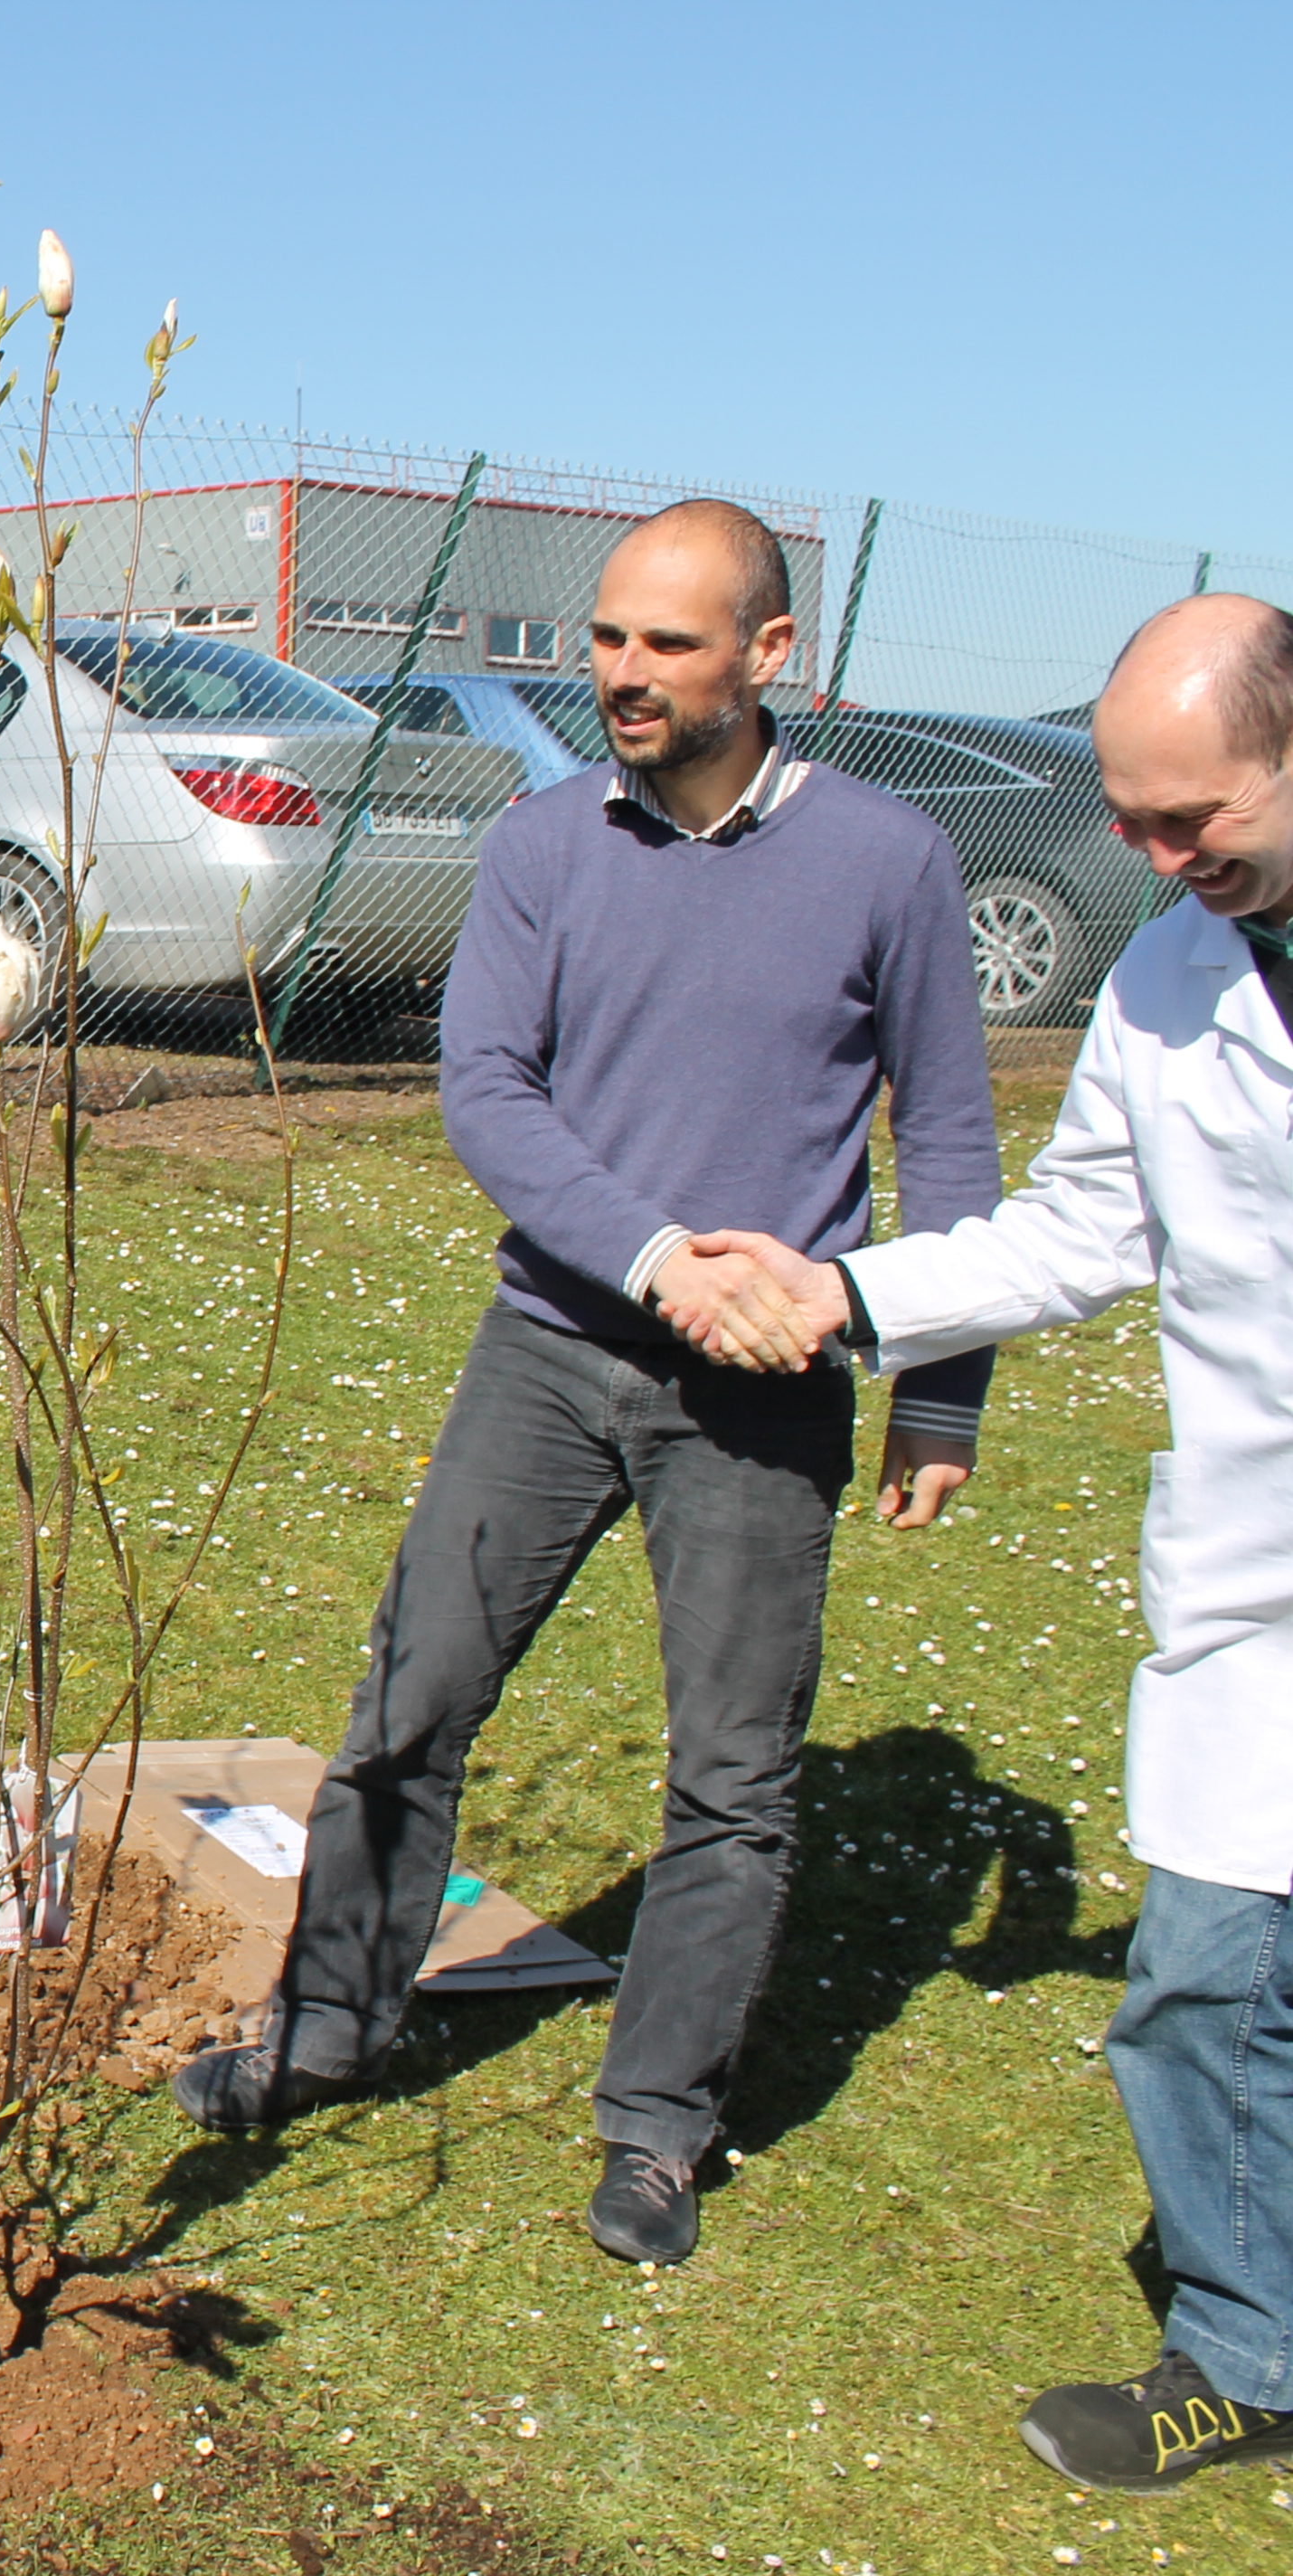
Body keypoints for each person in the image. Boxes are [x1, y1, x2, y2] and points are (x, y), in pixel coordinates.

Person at [165, 497, 1004, 2269]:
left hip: (765, 1395)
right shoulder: (547, 843)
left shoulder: (891, 863)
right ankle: (323, 2027)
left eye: (665, 644)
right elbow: (490, 1091)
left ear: (770, 657)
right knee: (409, 1704)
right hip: (553, 1347)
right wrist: (654, 1261)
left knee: (734, 1777)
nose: (622, 672)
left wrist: (940, 1388)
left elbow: (945, 1129)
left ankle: (658, 2127)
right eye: (609, 638)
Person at [691, 594, 1293, 2492]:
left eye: (1194, 818)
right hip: (1263, 1577)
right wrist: (848, 1292)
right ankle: (1248, 2344)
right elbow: (1077, 1228)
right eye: (1130, 821)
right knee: (1198, 1973)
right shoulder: (1171, 978)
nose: (1157, 860)